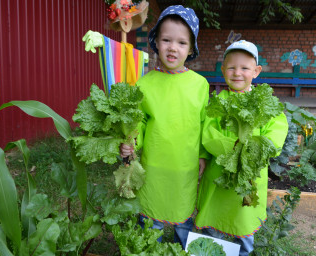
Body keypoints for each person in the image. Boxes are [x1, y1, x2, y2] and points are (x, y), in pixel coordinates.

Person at [120, 5, 209, 249]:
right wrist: (131, 144)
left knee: (183, 218)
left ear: (190, 49)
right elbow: (139, 122)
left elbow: (204, 123)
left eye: (181, 43)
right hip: (153, 165)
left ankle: (184, 250)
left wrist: (202, 155)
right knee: (150, 217)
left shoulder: (200, 85)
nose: (173, 47)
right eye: (166, 40)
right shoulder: (145, 84)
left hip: (185, 166)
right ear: (156, 42)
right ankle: (149, 249)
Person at [194, 40, 289, 256]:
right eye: (231, 67)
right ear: (223, 70)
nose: (237, 73)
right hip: (220, 174)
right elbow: (209, 135)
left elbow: (276, 133)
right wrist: (234, 150)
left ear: (256, 71)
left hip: (250, 175)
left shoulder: (265, 102)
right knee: (213, 221)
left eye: (245, 68)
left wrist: (250, 152)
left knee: (244, 223)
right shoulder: (218, 101)